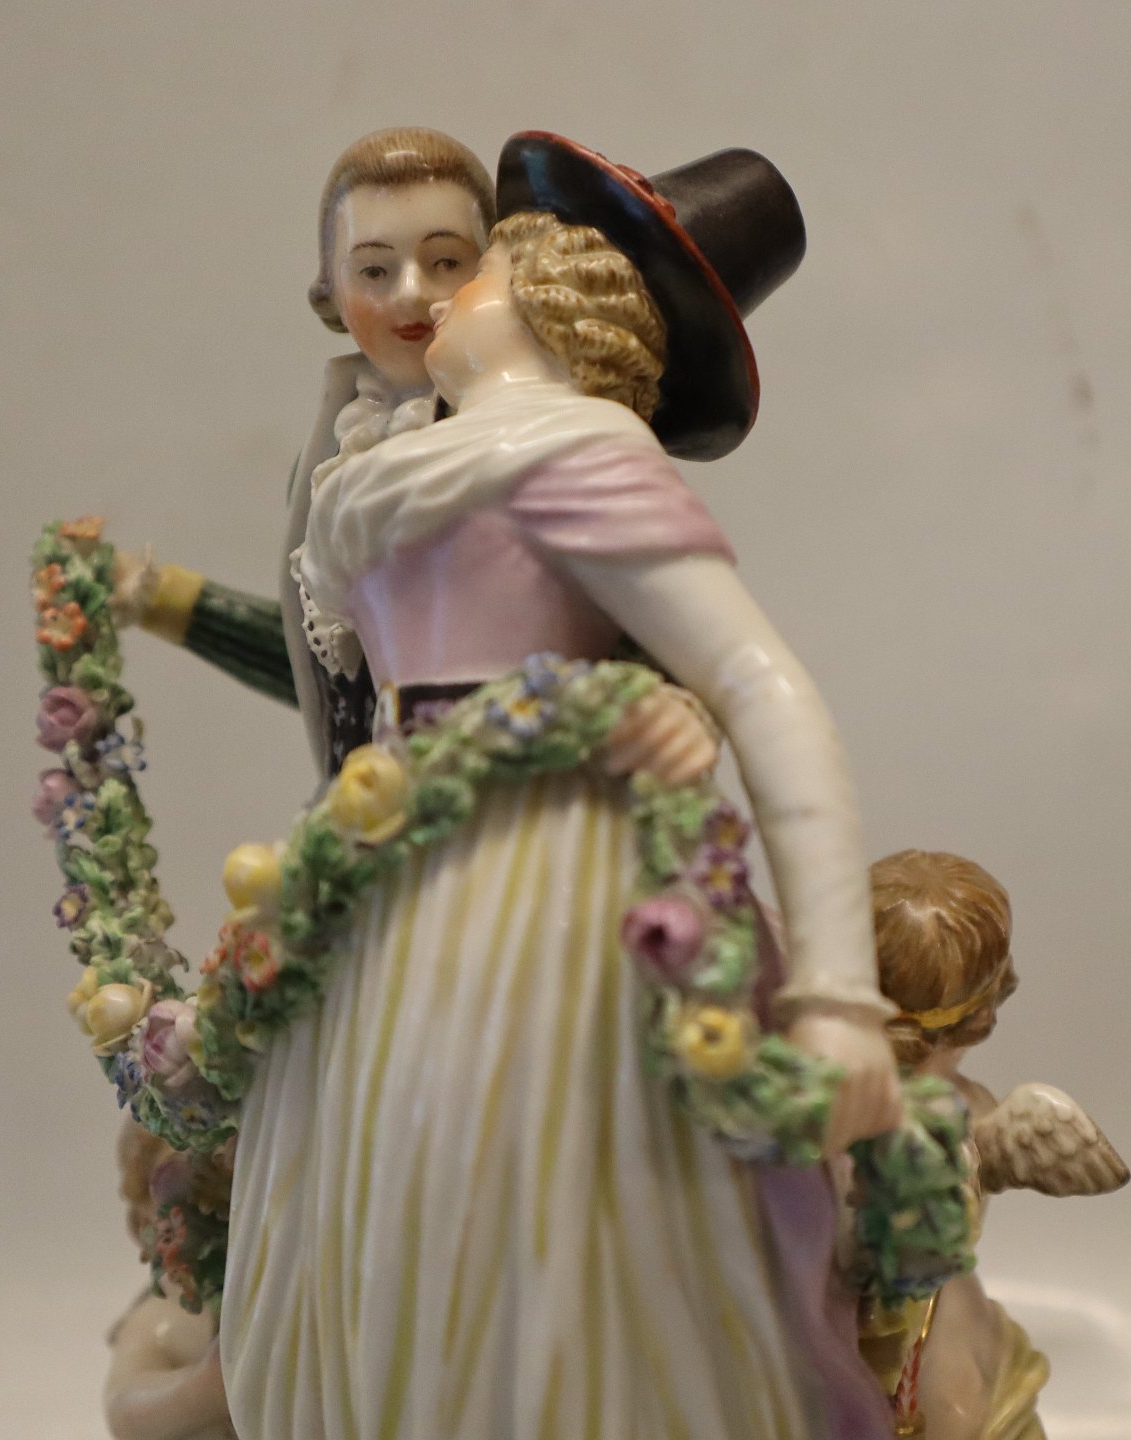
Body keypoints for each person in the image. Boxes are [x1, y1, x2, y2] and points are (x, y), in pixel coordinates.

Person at [219, 134, 903, 1440]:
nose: (431, 300)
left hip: (538, 884)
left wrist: (836, 999)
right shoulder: (385, 474)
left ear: (539, 301)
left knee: (530, 1196)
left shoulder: (574, 453)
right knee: (383, 1186)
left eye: (467, 271)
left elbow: (759, 686)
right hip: (385, 875)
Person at [117, 127, 712, 783]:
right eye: (374, 270)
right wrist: (168, 601)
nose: (410, 294)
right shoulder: (335, 458)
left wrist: (670, 705)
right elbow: (339, 672)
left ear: (498, 270)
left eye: (446, 263)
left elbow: (655, 623)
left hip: (533, 782)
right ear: (330, 291)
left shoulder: (539, 437)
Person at [857, 850, 1129, 1440]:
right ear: (983, 1014)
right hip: (930, 1354)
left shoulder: (814, 1108)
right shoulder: (968, 1114)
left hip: (901, 1339)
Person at [106, 1120, 237, 1440]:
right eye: (189, 1202)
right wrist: (204, 1386)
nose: (214, 1215)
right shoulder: (164, 1315)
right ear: (146, 1226)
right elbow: (124, 1407)